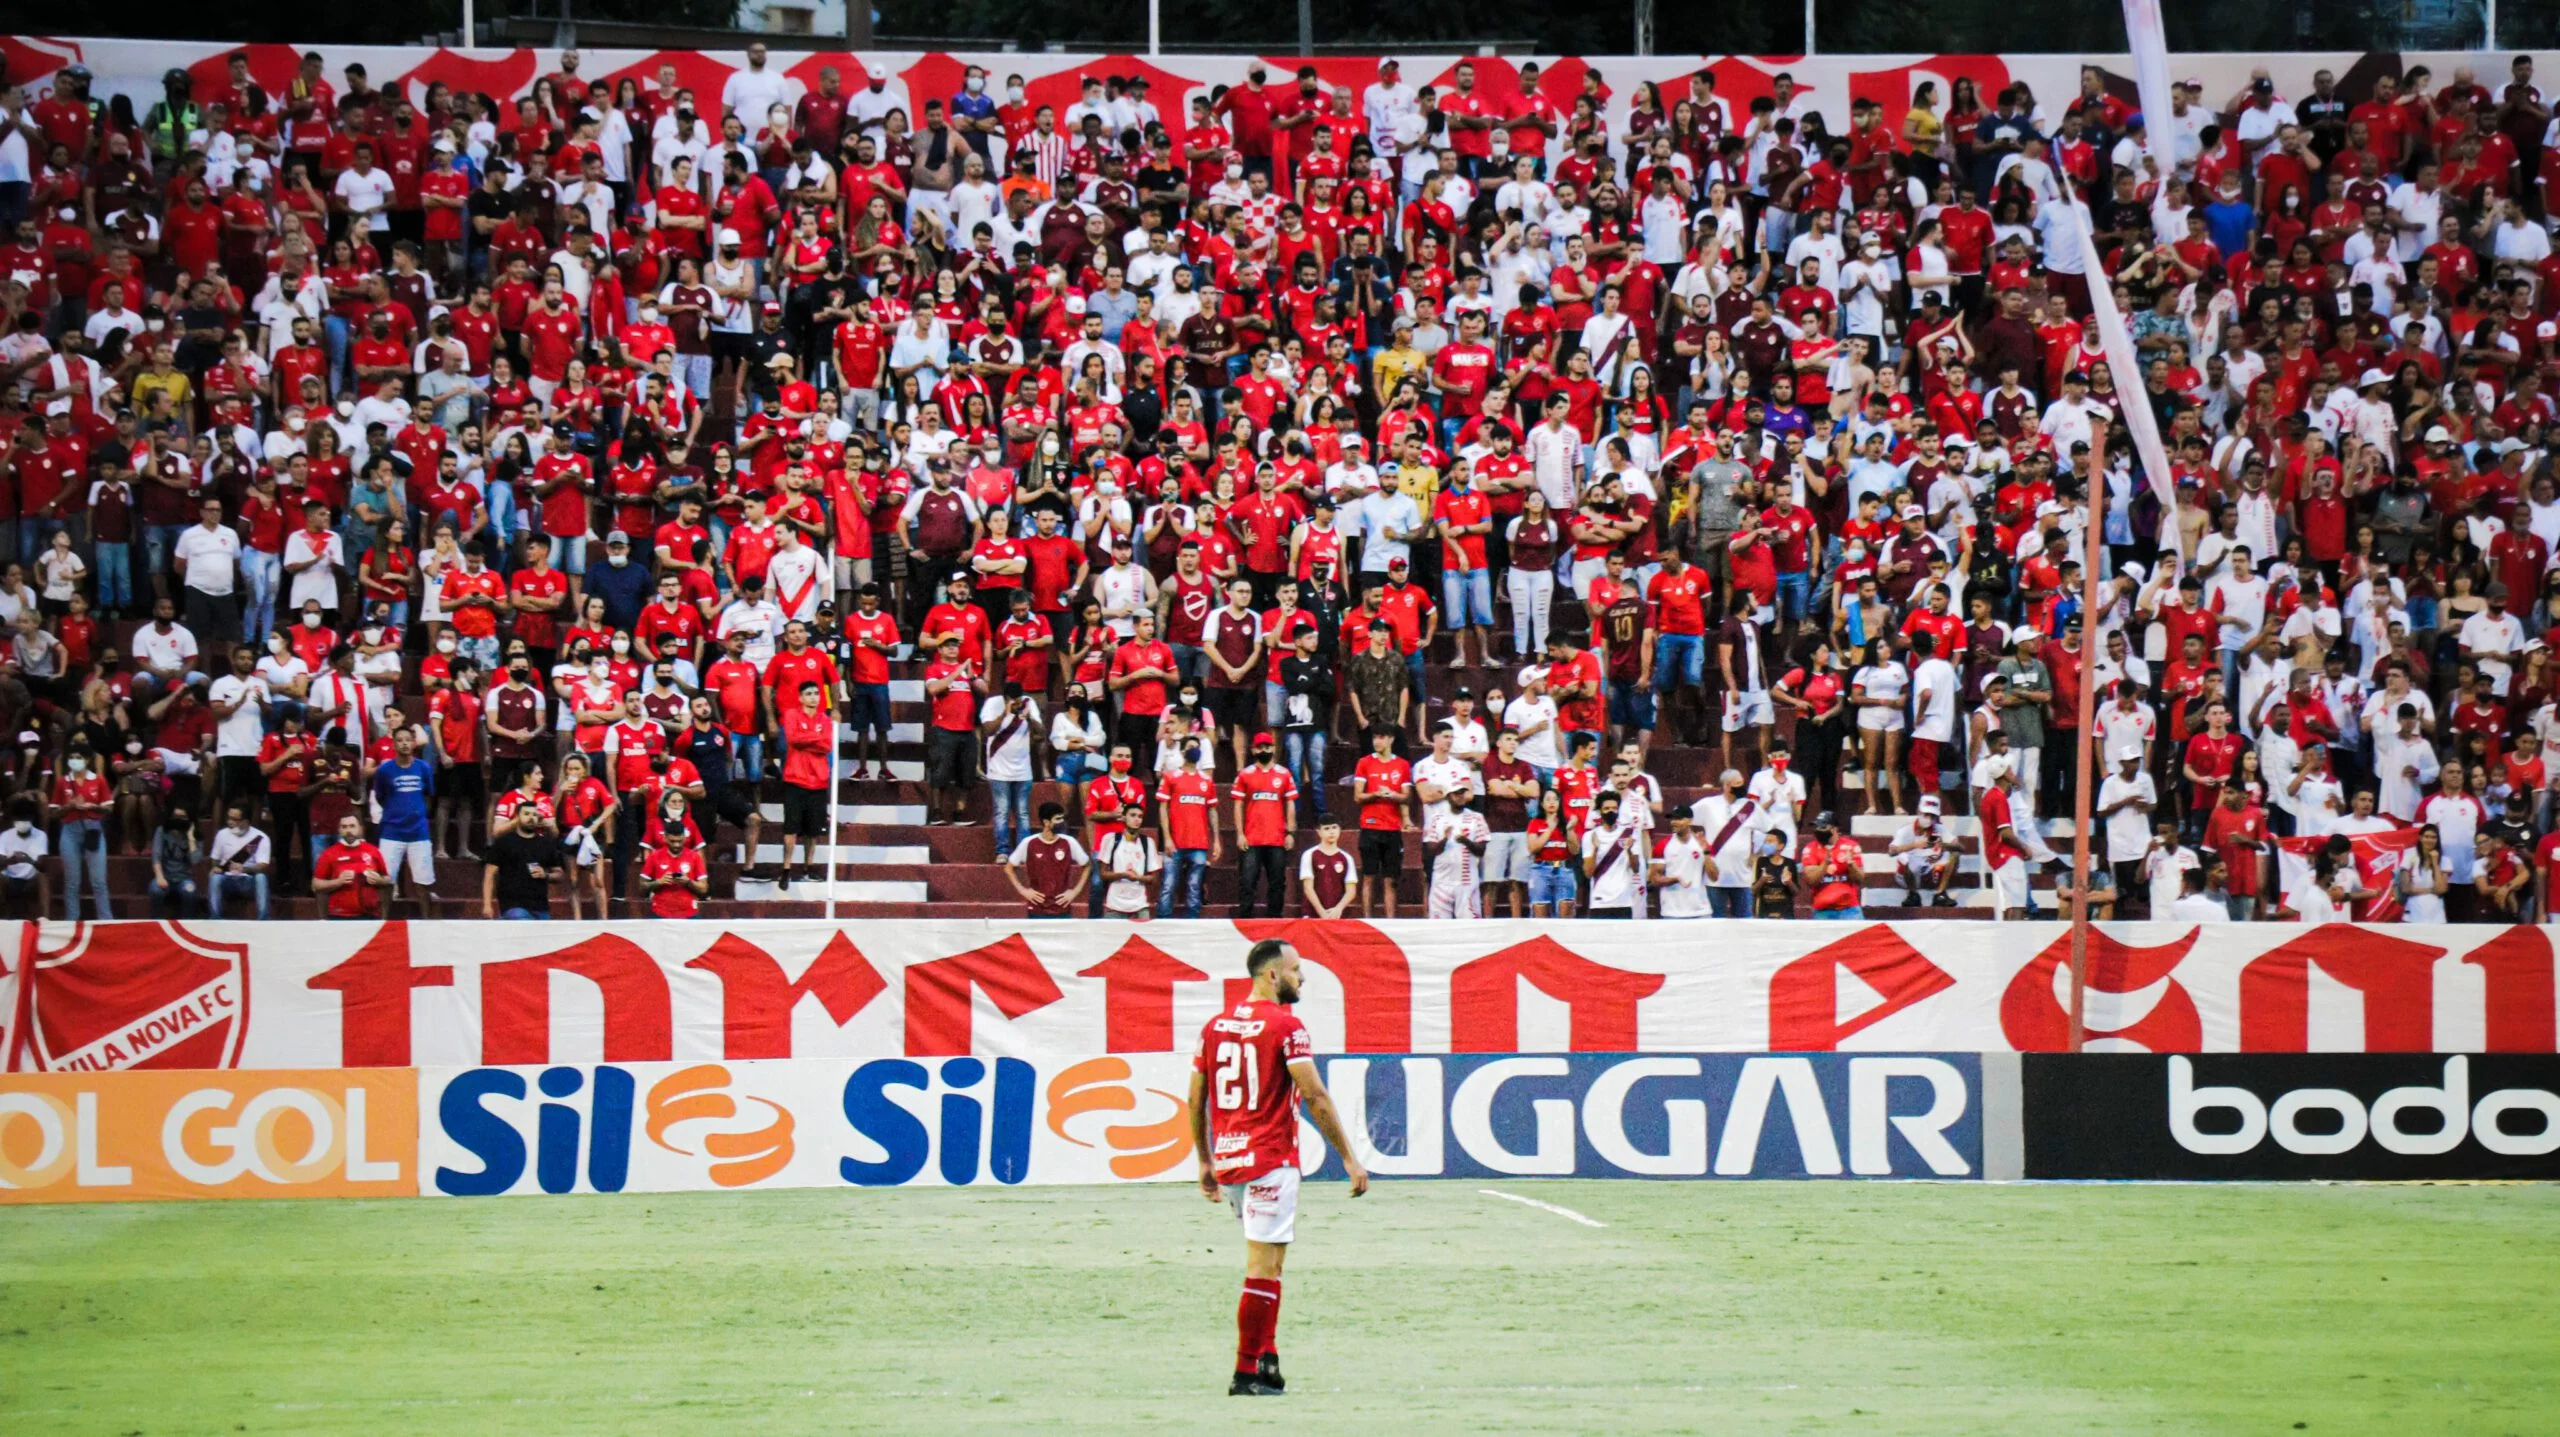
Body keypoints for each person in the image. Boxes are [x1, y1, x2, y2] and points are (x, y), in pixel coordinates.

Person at [1184, 938, 1368, 1398]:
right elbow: (1314, 1095)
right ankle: (1245, 1373)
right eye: (1296, 969)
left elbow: (1195, 1096)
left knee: (1273, 1260)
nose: (1301, 977)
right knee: (1262, 1267)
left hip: (1230, 1160)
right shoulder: (1287, 1026)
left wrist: (1204, 1159)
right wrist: (1348, 1155)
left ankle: (1267, 1356)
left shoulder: (1214, 1026)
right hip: (1271, 1158)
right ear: (1272, 975)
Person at [369, 727, 437, 915]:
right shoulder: (384, 770)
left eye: (408, 739)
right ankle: (383, 922)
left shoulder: (424, 768)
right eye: (400, 740)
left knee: (422, 883)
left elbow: (429, 796)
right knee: (386, 881)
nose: (405, 743)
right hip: (391, 832)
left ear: (414, 743)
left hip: (418, 833)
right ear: (394, 744)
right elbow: (381, 797)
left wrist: (419, 814)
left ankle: (426, 923)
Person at [484, 795, 566, 919]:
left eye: (534, 815)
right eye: (526, 814)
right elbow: (490, 874)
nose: (531, 818)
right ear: (517, 817)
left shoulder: (546, 843)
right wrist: (487, 905)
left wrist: (546, 875)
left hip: (541, 907)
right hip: (513, 906)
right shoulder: (504, 842)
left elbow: (559, 874)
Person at [1004, 802, 1090, 917]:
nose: (1062, 822)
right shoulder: (1029, 843)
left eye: (1062, 818)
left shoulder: (1069, 842)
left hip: (1062, 907)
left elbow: (1087, 865)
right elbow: (1008, 868)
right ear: (1046, 822)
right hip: (1037, 908)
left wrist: (1075, 892)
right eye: (1057, 819)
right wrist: (1023, 891)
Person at [1423, 779, 1490, 918]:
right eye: (1456, 794)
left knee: (1470, 924)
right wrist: (1444, 839)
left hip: (1467, 879)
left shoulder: (1476, 818)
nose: (1460, 797)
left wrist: (1466, 841)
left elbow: (1481, 850)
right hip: (1442, 880)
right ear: (1448, 796)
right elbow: (1431, 850)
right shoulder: (1436, 819)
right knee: (1439, 926)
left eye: (1462, 793)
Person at [311, 813, 393, 919]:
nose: (348, 830)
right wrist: (338, 882)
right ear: (339, 830)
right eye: (344, 827)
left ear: (360, 829)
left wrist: (379, 880)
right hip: (339, 915)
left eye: (352, 826)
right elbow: (315, 885)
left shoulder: (373, 851)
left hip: (369, 915)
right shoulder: (329, 854)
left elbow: (387, 879)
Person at [206, 803, 272, 920]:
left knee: (261, 877)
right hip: (227, 880)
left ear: (246, 821)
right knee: (214, 877)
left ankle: (263, 921)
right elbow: (215, 860)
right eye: (228, 818)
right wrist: (215, 867)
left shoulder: (260, 837)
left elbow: (263, 866)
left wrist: (244, 868)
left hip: (248, 881)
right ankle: (215, 919)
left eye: (235, 819)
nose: (230, 822)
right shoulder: (222, 834)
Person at [1800, 811, 1865, 919]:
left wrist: (1851, 865)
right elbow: (1811, 881)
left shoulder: (1851, 846)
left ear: (1834, 829)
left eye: (1823, 827)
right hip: (1822, 909)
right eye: (1816, 827)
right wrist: (1825, 864)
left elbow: (1860, 879)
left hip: (1849, 909)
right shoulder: (1810, 848)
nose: (1818, 830)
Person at [1296, 819, 1357, 919]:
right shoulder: (1309, 855)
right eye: (1326, 828)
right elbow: (1308, 888)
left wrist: (1338, 909)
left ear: (1339, 830)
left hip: (1337, 915)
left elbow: (1351, 891)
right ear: (1319, 832)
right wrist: (1322, 912)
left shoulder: (1347, 858)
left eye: (1334, 827)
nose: (1331, 832)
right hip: (1312, 913)